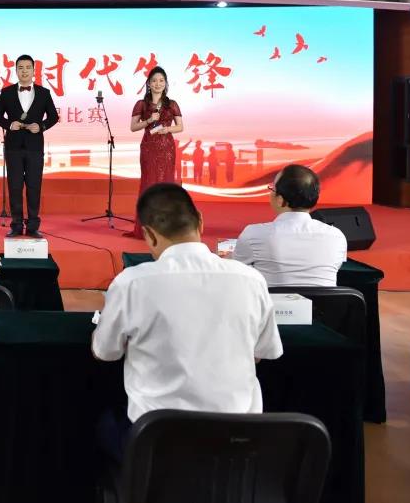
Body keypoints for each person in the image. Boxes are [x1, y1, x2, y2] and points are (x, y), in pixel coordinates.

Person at [91, 183, 282, 462]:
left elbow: (105, 352)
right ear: (200, 222)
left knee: (101, 424)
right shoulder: (251, 279)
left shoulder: (132, 283)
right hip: (238, 441)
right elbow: (263, 353)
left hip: (158, 444)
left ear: (149, 235)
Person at [234, 164, 347, 287]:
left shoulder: (254, 234)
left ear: (280, 199)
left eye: (272, 189)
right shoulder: (337, 236)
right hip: (323, 301)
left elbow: (237, 270)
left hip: (272, 300)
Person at [0, 54, 59, 238]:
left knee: (34, 186)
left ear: (34, 70)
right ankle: (16, 225)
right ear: (16, 70)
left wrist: (41, 126)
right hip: (13, 147)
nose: (24, 71)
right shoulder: (6, 92)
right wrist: (9, 124)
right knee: (14, 187)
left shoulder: (44, 93)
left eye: (28, 68)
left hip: (35, 147)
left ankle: (33, 226)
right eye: (20, 68)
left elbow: (53, 117)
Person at [128, 66, 183, 237]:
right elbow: (133, 127)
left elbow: (180, 127)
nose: (158, 84)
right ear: (149, 84)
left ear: (165, 83)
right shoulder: (142, 104)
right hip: (149, 148)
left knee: (166, 185)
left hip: (167, 149)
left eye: (161, 80)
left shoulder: (172, 104)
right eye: (154, 81)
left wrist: (167, 129)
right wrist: (149, 120)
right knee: (149, 184)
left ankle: (165, 227)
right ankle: (147, 227)